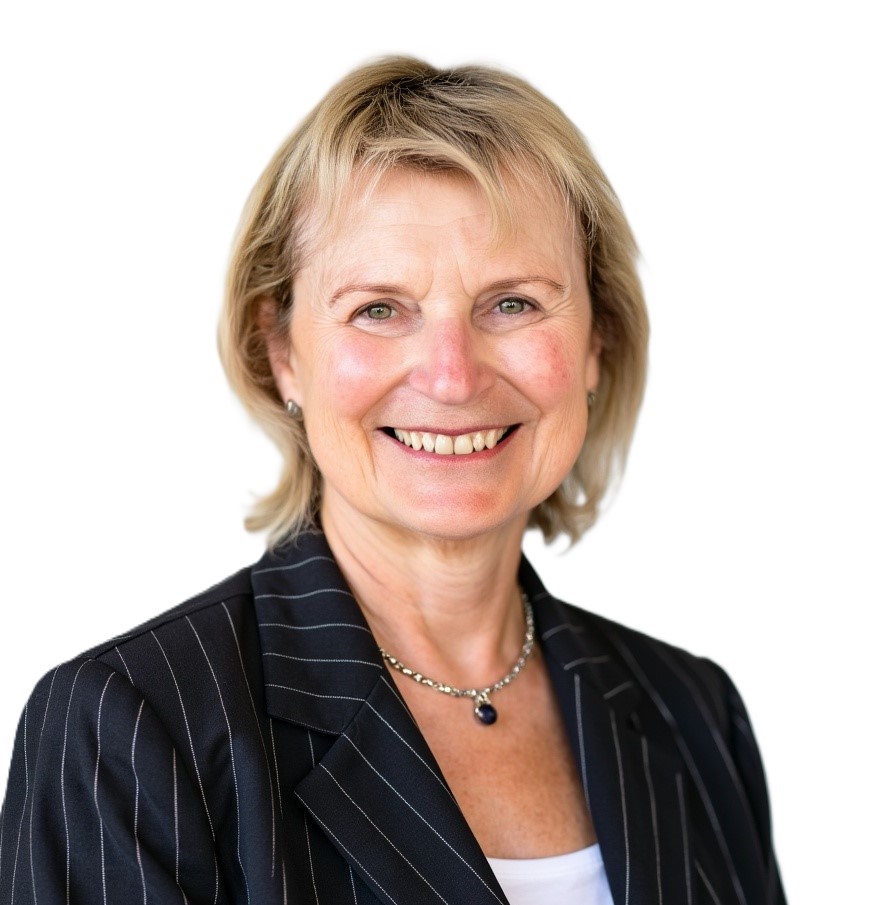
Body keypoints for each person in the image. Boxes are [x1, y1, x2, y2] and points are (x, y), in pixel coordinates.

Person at [0, 57, 785, 904]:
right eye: (378, 308)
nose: (451, 376)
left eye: (513, 303)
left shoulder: (694, 713)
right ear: (280, 351)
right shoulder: (132, 724)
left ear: (598, 339)